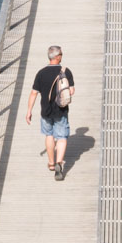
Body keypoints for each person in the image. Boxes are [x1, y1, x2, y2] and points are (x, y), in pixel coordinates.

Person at [23, 45, 74, 181]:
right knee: (62, 137)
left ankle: (51, 163)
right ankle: (59, 163)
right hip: (61, 110)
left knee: (49, 135)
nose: (62, 56)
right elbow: (71, 91)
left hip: (45, 111)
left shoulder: (41, 73)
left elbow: (34, 93)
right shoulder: (65, 71)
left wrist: (29, 111)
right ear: (57, 57)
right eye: (61, 54)